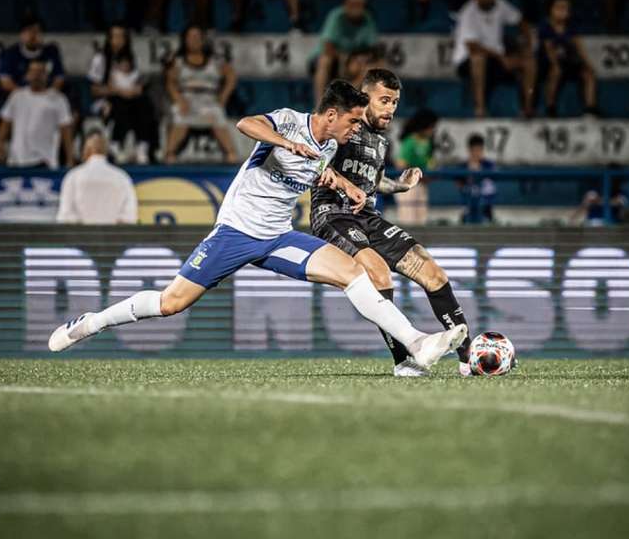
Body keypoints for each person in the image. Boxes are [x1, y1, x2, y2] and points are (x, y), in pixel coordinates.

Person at [48, 80, 467, 371]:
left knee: (353, 273)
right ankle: (92, 322)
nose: (357, 128)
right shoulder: (289, 122)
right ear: (332, 113)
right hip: (235, 232)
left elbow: (322, 172)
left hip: (278, 237)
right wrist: (286, 143)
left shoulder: (329, 146)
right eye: (353, 121)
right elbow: (245, 124)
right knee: (170, 303)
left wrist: (346, 186)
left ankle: (416, 343)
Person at [310, 69, 473, 378]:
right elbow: (313, 160)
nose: (390, 109)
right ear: (364, 97)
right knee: (378, 273)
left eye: (395, 102)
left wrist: (399, 186)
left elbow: (372, 181)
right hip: (332, 213)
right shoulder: (342, 127)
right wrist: (343, 185)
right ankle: (404, 361)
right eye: (384, 100)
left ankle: (469, 358)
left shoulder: (381, 142)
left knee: (433, 272)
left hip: (368, 216)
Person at [163, 25, 238, 164]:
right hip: (186, 99)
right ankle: (170, 154)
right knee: (180, 116)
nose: (194, 40)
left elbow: (231, 76)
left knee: (216, 114)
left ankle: (230, 154)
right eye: (190, 37)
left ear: (203, 40)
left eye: (197, 37)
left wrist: (223, 97)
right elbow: (170, 83)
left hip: (209, 99)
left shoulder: (215, 61)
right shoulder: (178, 61)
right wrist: (179, 100)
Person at [452, 0, 536, 118]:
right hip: (467, 62)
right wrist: (503, 58)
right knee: (478, 59)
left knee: (529, 62)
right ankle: (480, 109)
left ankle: (528, 108)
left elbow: (521, 21)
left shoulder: (500, 3)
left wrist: (528, 46)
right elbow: (473, 47)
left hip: (496, 59)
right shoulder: (468, 12)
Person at [88, 22, 156, 164]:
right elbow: (94, 90)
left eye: (121, 37)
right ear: (109, 39)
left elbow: (137, 82)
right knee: (121, 104)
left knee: (145, 103)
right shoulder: (100, 59)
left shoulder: (131, 58)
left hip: (130, 97)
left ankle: (142, 146)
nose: (118, 41)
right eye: (115, 37)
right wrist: (118, 91)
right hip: (107, 100)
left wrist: (136, 89)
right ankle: (115, 145)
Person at [0, 59, 74, 169]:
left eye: (40, 72)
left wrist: (70, 158)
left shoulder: (58, 99)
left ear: (46, 75)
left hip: (44, 160)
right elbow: (5, 123)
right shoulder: (17, 96)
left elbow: (66, 130)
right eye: (33, 72)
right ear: (27, 75)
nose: (36, 75)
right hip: (17, 160)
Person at [311, 0, 380, 105]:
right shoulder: (336, 16)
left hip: (354, 59)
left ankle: (345, 98)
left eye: (359, 5)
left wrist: (359, 59)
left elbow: (373, 49)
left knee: (373, 67)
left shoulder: (367, 18)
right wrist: (346, 59)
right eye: (353, 4)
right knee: (324, 60)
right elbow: (328, 47)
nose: (356, 8)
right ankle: (320, 104)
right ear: (346, 4)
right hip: (333, 59)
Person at [57, 132, 138, 224]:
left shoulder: (73, 176)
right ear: (105, 152)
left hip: (81, 236)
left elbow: (65, 215)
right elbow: (129, 216)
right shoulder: (122, 177)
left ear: (85, 151)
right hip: (112, 236)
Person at [539, 0, 598, 117]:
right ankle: (550, 107)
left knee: (588, 73)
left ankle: (590, 108)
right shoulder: (545, 26)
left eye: (565, 8)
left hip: (567, 61)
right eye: (559, 7)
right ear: (550, 9)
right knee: (556, 72)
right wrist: (555, 65)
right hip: (547, 62)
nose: (562, 11)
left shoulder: (571, 27)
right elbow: (548, 49)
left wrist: (588, 64)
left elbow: (579, 47)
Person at [0, 14, 65, 94]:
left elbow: (59, 79)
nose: (33, 35)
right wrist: (28, 97)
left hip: (47, 98)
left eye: (37, 31)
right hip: (20, 98)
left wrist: (48, 95)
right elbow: (6, 83)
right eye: (29, 31)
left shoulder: (51, 51)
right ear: (21, 34)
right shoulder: (10, 54)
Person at [394, 108, 439, 226]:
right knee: (408, 222)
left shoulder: (428, 142)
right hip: (407, 186)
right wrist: (416, 175)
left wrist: (431, 173)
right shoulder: (410, 141)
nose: (432, 130)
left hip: (422, 185)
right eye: (431, 127)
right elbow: (401, 164)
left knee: (421, 221)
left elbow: (430, 162)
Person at [456, 133, 497, 224]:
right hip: (468, 205)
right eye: (474, 150)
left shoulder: (488, 165)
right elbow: (459, 184)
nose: (477, 153)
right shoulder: (463, 167)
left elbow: (492, 183)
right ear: (469, 150)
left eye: (479, 150)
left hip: (485, 205)